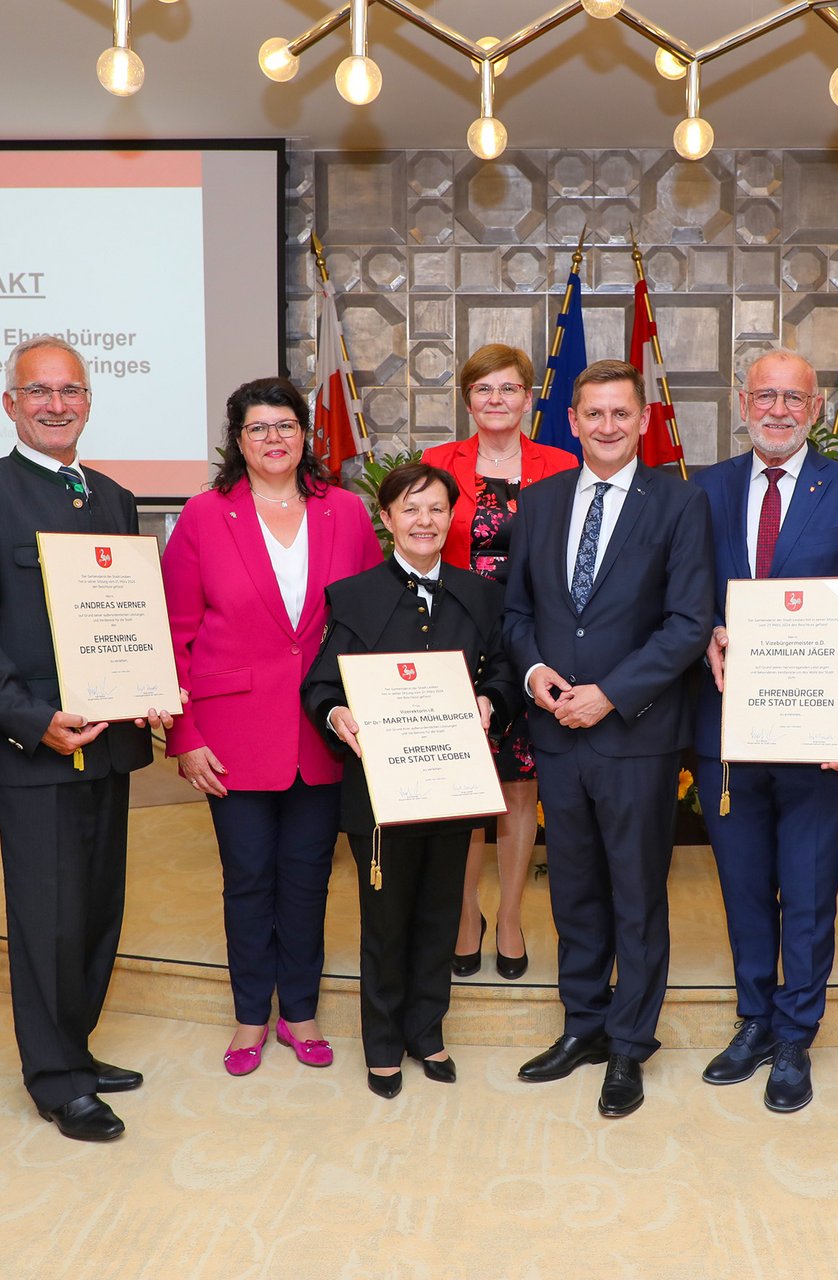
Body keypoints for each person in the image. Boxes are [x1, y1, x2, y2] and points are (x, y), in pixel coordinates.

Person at [0, 334, 177, 1143]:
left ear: (87, 402)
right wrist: (34, 721)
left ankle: (76, 1044)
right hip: (34, 747)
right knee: (49, 914)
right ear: (11, 404)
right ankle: (56, 1077)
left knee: (100, 906)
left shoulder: (110, 496)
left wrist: (148, 687)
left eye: (69, 390)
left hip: (109, 744)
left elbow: (129, 620)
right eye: (38, 391)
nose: (55, 404)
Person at [502, 358, 714, 1118]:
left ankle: (630, 1044)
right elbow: (517, 613)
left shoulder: (679, 504)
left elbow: (689, 623)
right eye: (593, 414)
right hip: (556, 730)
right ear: (571, 420)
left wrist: (611, 695)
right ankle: (583, 1026)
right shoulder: (542, 500)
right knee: (574, 894)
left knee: (635, 895)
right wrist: (535, 678)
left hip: (637, 735)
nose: (607, 426)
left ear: (644, 420)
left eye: (621, 413)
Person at [161, 377, 381, 1078]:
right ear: (238, 440)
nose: (274, 439)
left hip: (324, 728)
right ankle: (251, 1013)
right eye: (258, 429)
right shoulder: (203, 516)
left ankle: (303, 1011)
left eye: (285, 426)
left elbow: (372, 618)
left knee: (308, 878)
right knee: (248, 879)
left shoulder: (344, 511)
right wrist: (185, 734)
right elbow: (175, 633)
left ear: (304, 435)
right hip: (228, 734)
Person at [691, 348, 838, 1113]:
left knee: (807, 889)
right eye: (765, 396)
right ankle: (753, 1018)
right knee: (742, 886)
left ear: (816, 410)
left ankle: (795, 1035)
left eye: (793, 399)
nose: (778, 410)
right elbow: (687, 593)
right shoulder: (705, 490)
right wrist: (707, 628)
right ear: (744, 402)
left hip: (817, 730)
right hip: (727, 732)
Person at [301, 463, 521, 1098]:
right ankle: (383, 1043)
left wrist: (491, 703)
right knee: (387, 920)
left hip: (452, 786)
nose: (423, 521)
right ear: (388, 519)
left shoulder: (479, 596)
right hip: (378, 793)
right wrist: (335, 712)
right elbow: (319, 683)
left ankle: (428, 1031)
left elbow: (503, 673)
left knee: (438, 915)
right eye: (409, 509)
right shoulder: (355, 594)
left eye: (434, 509)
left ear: (450, 518)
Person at [422, 343, 578, 980]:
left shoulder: (561, 463)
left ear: (528, 398)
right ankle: (466, 915)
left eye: (509, 389)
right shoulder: (438, 463)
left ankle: (509, 916)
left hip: (535, 643)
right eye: (483, 389)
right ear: (467, 399)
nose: (496, 400)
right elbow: (420, 538)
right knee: (463, 787)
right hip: (456, 640)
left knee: (518, 784)